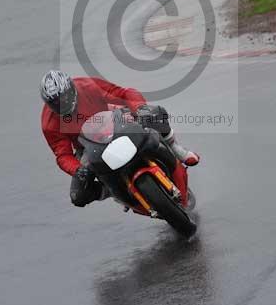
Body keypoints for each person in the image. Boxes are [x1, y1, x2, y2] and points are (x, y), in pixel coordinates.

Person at [40, 70, 200, 208]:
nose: (62, 105)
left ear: (71, 89)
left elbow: (124, 93)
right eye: (55, 103)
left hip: (115, 121)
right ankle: (110, 190)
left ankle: (176, 148)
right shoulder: (49, 123)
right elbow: (63, 155)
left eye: (64, 98)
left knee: (155, 113)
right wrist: (78, 169)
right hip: (88, 146)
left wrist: (139, 109)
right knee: (78, 196)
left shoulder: (88, 86)